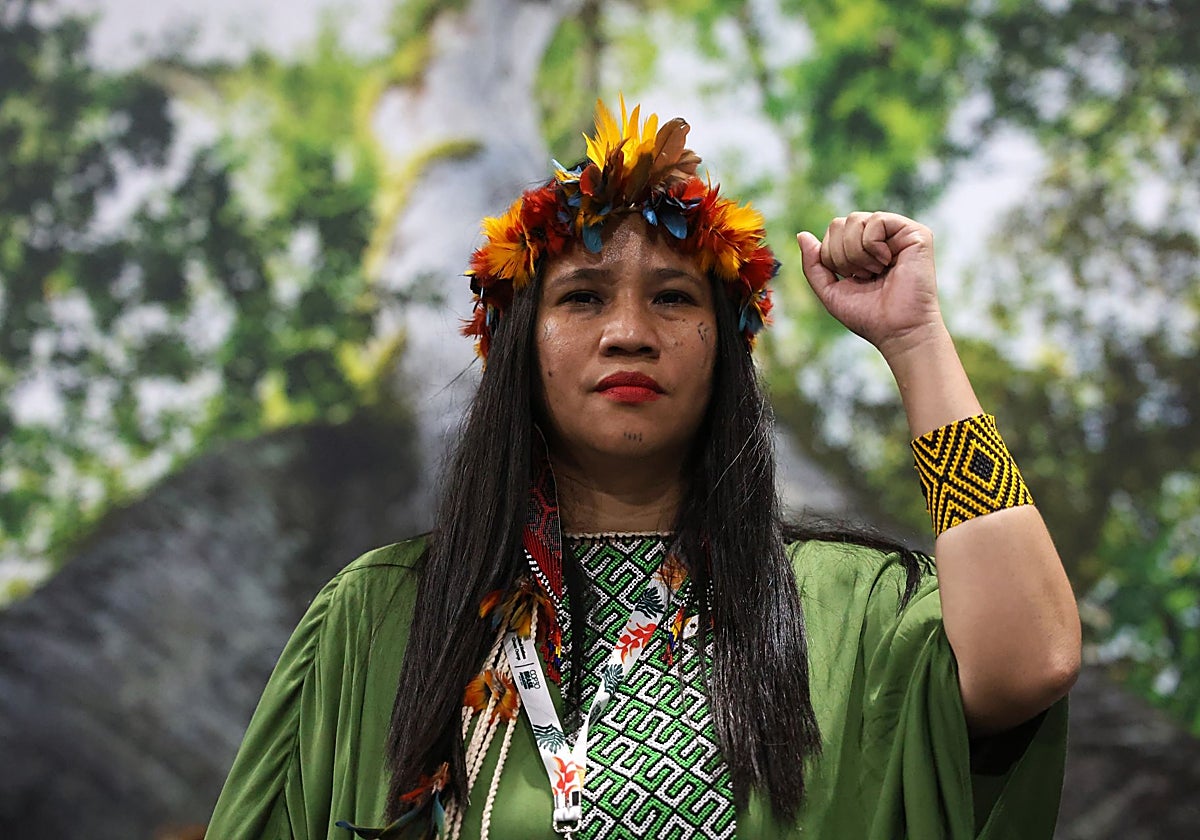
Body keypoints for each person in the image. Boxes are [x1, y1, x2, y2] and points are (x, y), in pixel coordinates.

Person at [205, 97, 1080, 840]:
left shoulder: (848, 608)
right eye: (583, 297)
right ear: (520, 351)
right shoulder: (379, 615)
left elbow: (1031, 659)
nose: (630, 331)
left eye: (673, 297)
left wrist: (916, 341)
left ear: (724, 353)